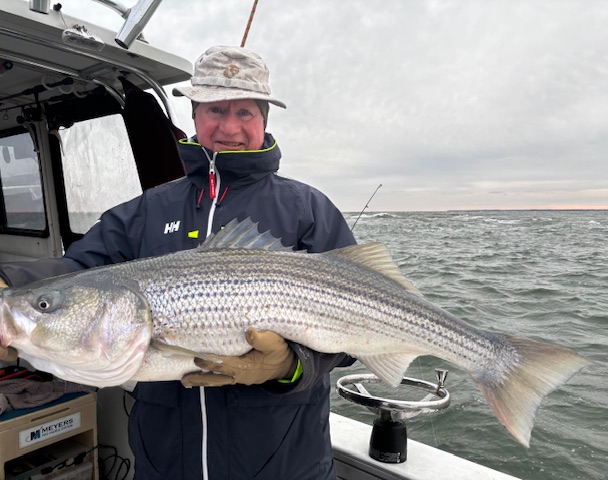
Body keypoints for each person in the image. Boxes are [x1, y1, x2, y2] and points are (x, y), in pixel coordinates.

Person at [0, 45, 356, 479]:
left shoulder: (308, 209)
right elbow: (80, 271)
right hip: (167, 460)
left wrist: (291, 366)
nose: (229, 127)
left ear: (264, 119)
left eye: (245, 112)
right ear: (195, 115)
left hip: (284, 462)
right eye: (215, 110)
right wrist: (8, 286)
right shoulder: (147, 209)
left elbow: (358, 330)